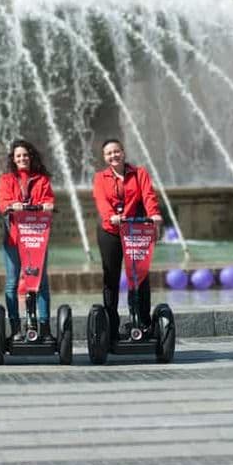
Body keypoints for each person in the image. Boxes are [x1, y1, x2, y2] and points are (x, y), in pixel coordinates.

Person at [92, 138, 162, 343]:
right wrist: (111, 216)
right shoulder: (100, 177)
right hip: (110, 231)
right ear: (105, 158)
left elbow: (149, 196)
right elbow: (101, 200)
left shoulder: (139, 173)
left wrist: (155, 215)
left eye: (116, 151)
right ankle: (111, 326)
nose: (113, 155)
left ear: (123, 152)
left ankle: (143, 322)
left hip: (135, 229)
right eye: (109, 153)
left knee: (140, 276)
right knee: (111, 277)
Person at [0, 139, 55, 342]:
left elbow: (48, 200)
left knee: (41, 282)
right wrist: (12, 205)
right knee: (12, 283)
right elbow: (3, 202)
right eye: (18, 156)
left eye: (25, 155)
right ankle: (15, 327)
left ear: (31, 157)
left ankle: (44, 327)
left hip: (36, 238)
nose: (22, 159)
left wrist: (47, 205)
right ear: (13, 159)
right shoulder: (6, 180)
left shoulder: (42, 180)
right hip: (13, 238)